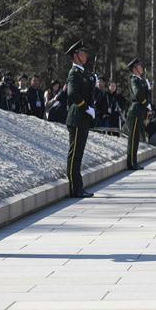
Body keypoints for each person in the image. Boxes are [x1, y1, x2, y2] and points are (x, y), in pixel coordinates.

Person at [65, 41, 95, 198]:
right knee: (75, 154)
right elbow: (72, 94)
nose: (86, 55)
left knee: (79, 154)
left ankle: (78, 186)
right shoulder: (74, 73)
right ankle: (75, 188)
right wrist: (86, 108)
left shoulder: (83, 73)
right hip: (77, 118)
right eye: (82, 53)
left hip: (83, 119)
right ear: (75, 56)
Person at [125, 58, 149, 170]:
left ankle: (134, 161)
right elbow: (138, 94)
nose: (141, 67)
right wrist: (145, 103)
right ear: (134, 69)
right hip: (135, 110)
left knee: (136, 138)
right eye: (139, 66)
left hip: (139, 110)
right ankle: (131, 162)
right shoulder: (134, 79)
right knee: (133, 138)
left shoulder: (141, 80)